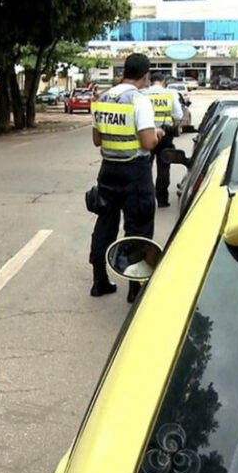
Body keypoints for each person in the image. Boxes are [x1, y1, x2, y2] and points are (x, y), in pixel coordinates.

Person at [88, 53, 164, 303]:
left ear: (124, 71)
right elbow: (148, 142)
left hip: (108, 170)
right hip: (135, 171)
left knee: (105, 224)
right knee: (138, 228)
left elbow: (97, 139)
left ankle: (99, 281)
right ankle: (135, 288)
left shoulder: (102, 98)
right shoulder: (139, 101)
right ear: (145, 75)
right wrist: (158, 133)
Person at [142, 73, 184, 207]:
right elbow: (178, 115)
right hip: (165, 135)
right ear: (163, 81)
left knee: (145, 166)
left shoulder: (143, 94)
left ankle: (145, 197)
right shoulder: (170, 94)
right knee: (164, 167)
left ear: (150, 81)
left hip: (146, 133)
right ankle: (162, 199)